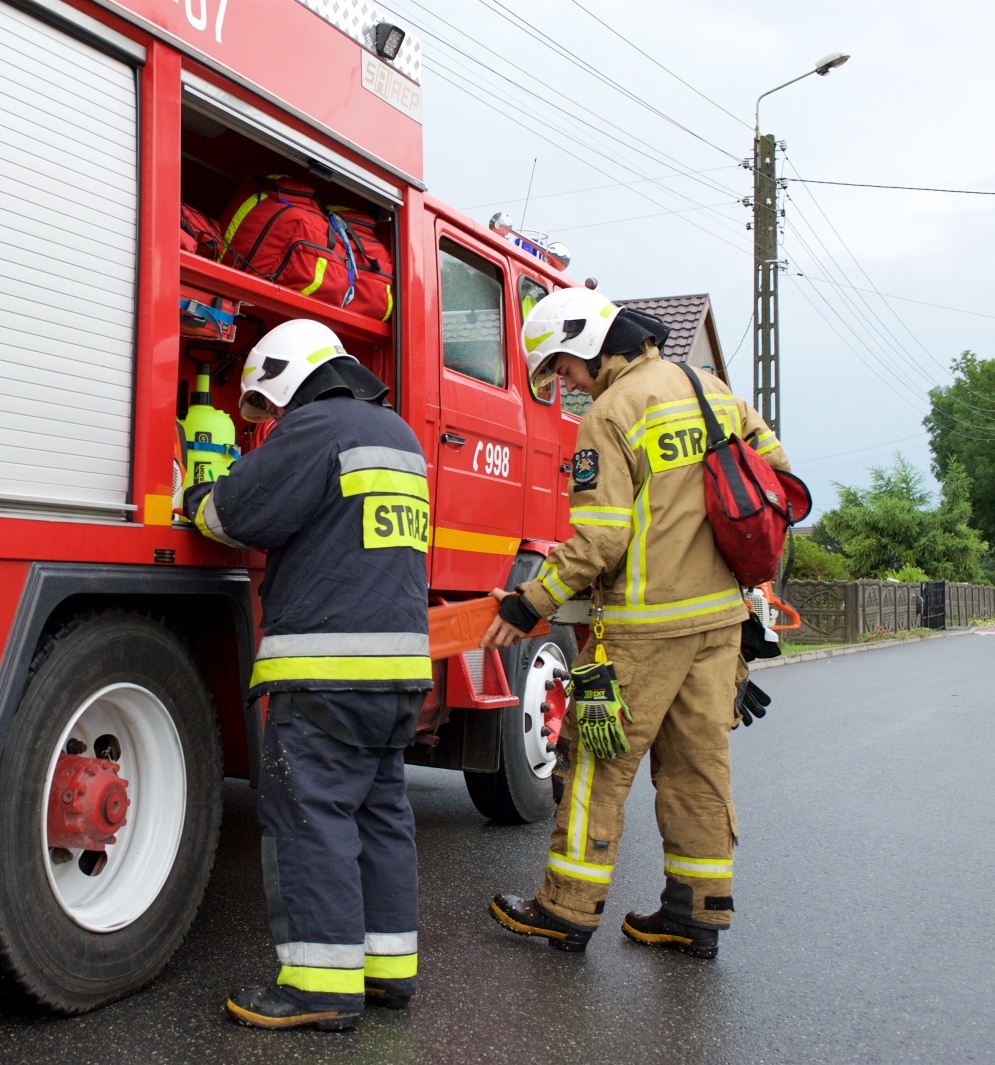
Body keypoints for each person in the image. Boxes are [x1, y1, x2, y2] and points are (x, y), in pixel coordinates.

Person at [482, 289, 790, 959]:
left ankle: (565, 909)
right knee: (697, 767)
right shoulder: (713, 391)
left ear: (590, 346)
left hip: (641, 632)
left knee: (593, 762)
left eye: (564, 368)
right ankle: (695, 912)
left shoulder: (612, 413)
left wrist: (529, 601)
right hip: (719, 623)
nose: (566, 384)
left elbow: (600, 540)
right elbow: (778, 478)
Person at [182, 318, 431, 1031]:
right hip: (399, 674)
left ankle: (320, 989)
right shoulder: (400, 436)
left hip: (327, 671)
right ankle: (387, 971)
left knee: (311, 816)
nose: (273, 418)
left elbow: (235, 513)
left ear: (287, 375)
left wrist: (197, 496)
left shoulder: (316, 428)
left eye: (270, 403)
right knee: (381, 815)